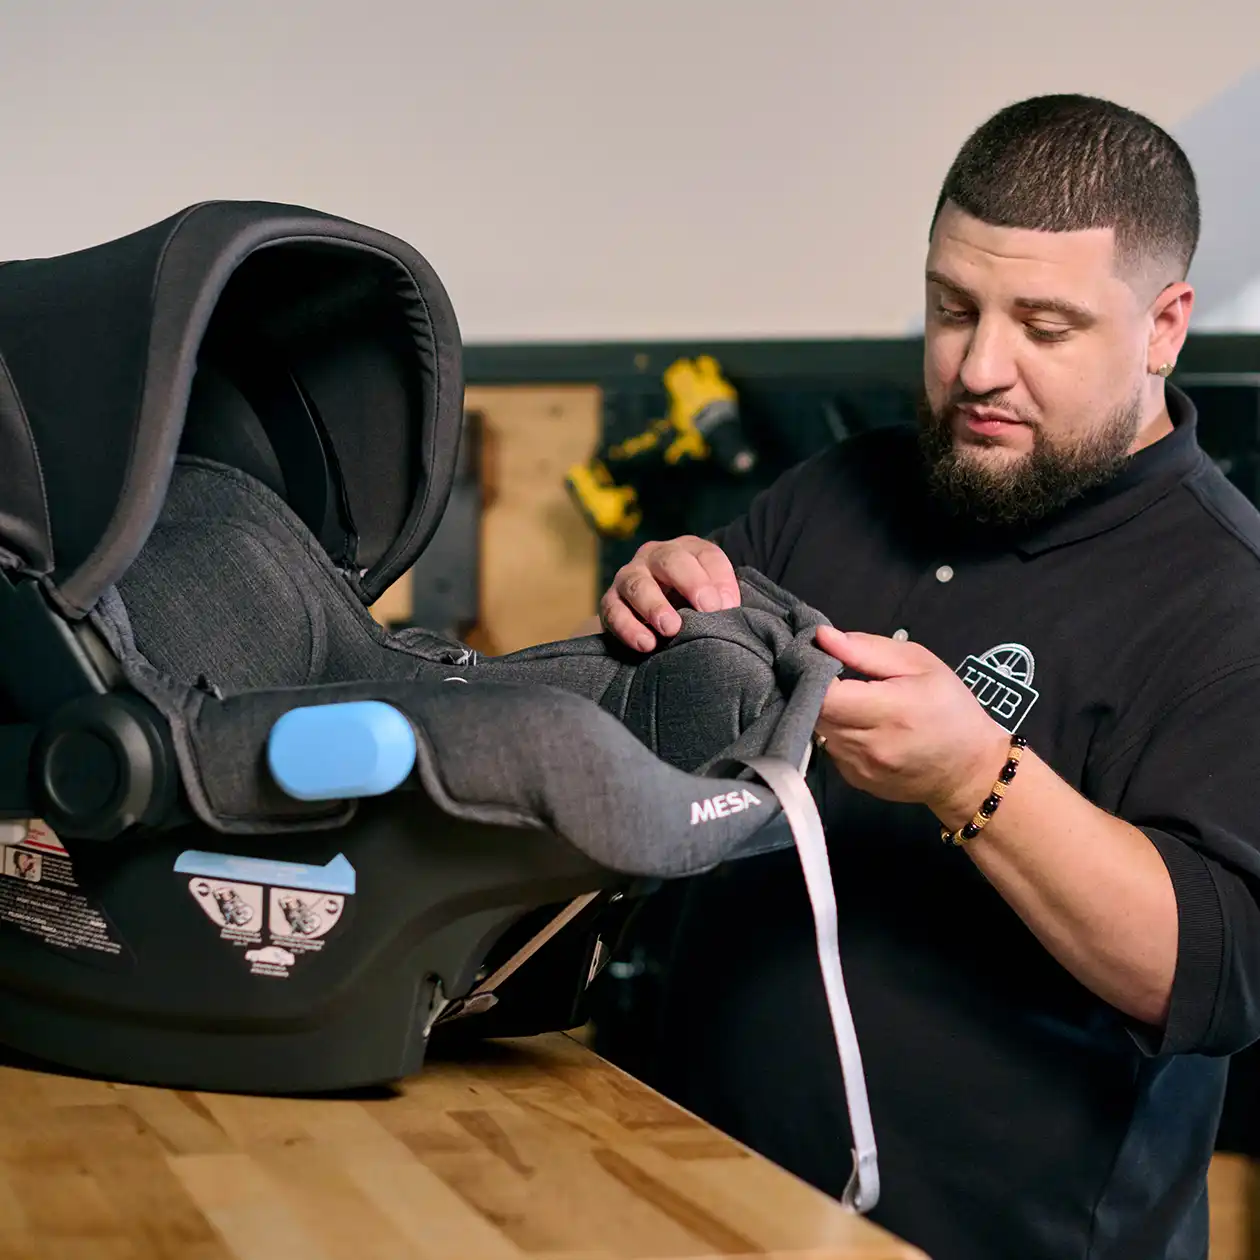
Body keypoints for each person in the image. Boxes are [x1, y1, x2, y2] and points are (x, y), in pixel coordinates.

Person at [589, 95, 1260, 1260]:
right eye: (955, 309)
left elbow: (1212, 973)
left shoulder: (1230, 598)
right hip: (692, 1197)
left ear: (1164, 327)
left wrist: (977, 777)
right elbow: (648, 758)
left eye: (1045, 328)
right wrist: (651, 613)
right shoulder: (836, 490)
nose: (980, 367)